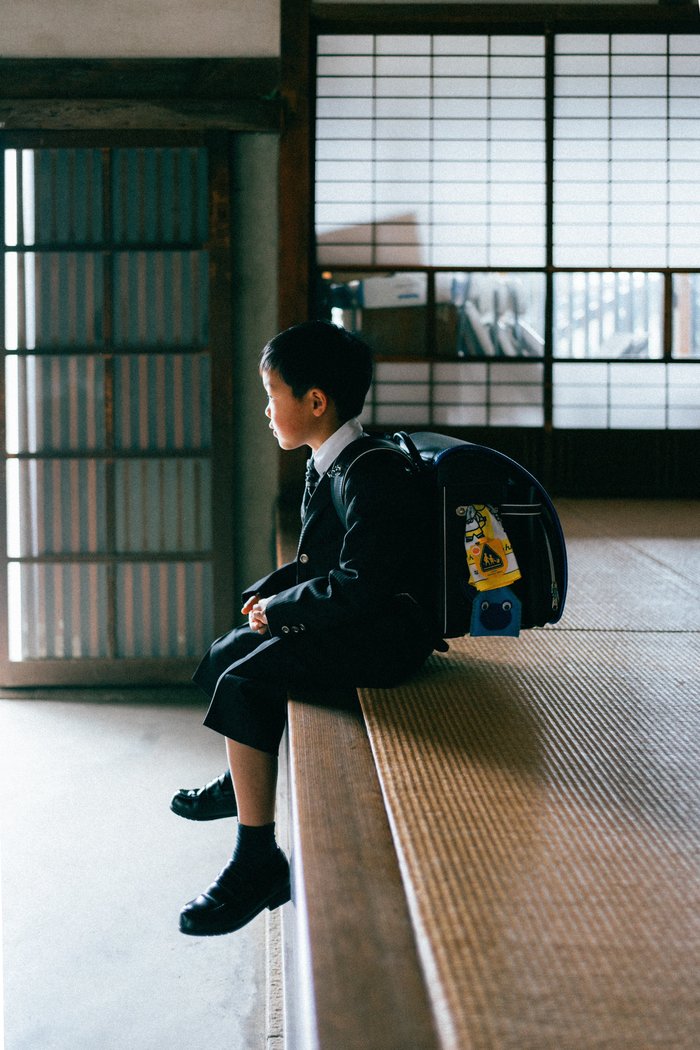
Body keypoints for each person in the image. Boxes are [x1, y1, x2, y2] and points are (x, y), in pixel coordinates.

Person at [174, 320, 439, 937]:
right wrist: (273, 592)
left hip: (385, 638)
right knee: (227, 652)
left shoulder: (368, 472)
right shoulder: (333, 460)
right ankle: (239, 782)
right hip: (358, 618)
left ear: (315, 401)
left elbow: (362, 582)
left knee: (244, 682)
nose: (266, 410)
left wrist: (288, 610)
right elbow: (323, 562)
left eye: (273, 395)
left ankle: (257, 857)